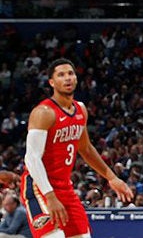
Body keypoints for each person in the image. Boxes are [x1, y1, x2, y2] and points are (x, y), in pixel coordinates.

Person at [20, 59, 133, 238]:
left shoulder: (80, 109)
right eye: (61, 75)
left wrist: (112, 177)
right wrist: (49, 196)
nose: (67, 78)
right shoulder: (43, 113)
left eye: (70, 74)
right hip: (39, 187)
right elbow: (32, 158)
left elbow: (85, 148)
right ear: (51, 82)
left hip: (65, 187)